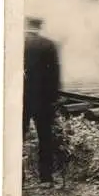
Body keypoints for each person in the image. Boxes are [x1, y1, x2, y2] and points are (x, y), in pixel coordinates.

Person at [23, 16, 61, 187]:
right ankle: (46, 178)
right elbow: (54, 74)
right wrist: (54, 98)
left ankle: (19, 178)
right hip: (43, 99)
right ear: (40, 26)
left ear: (26, 25)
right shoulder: (49, 45)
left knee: (17, 137)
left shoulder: (17, 42)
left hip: (21, 98)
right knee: (45, 137)